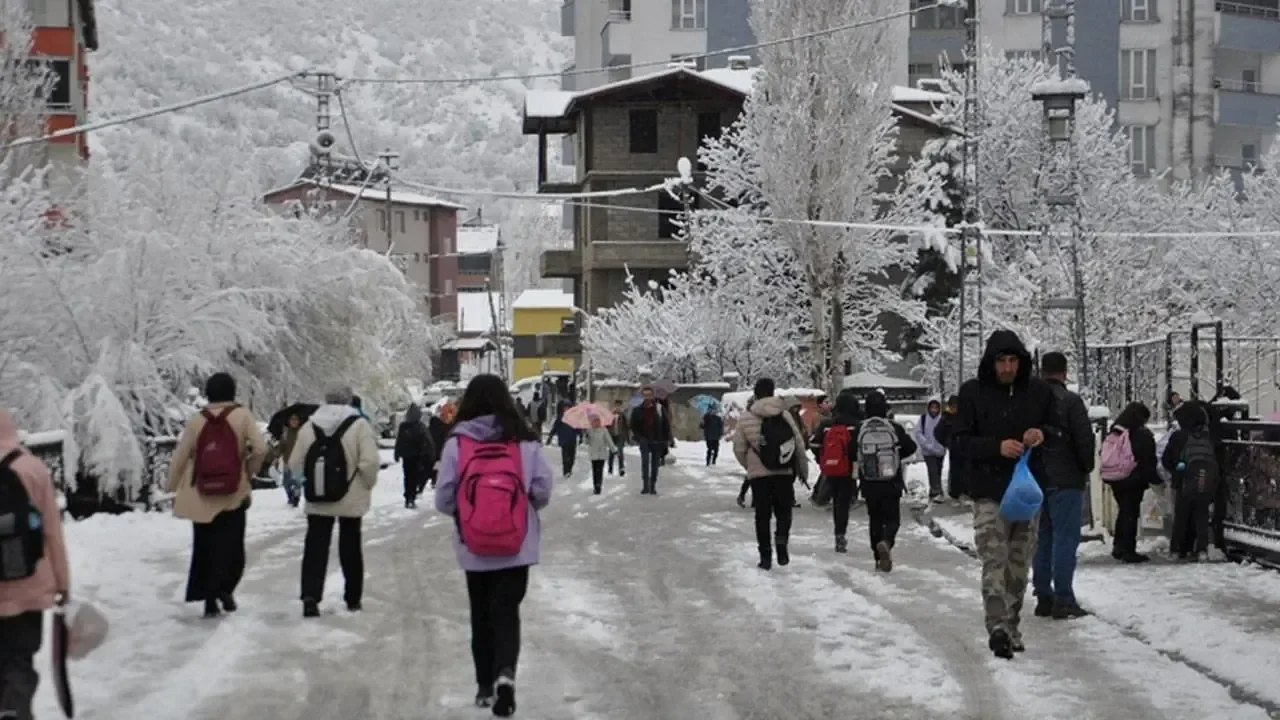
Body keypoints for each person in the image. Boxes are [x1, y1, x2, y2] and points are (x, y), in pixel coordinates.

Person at [434, 374, 553, 716]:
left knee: (481, 614)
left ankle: (484, 686)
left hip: (474, 547)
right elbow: (543, 489)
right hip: (517, 545)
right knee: (507, 612)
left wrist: (469, 511)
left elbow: (443, 499)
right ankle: (506, 675)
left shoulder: (457, 443)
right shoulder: (525, 441)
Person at [951, 330, 1054, 659]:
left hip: (1025, 491)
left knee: (1019, 563)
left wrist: (1041, 434)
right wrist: (995, 447)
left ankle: (1011, 623)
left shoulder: (1038, 393)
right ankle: (997, 624)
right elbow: (959, 439)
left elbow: (1056, 428)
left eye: (1013, 361)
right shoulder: (972, 394)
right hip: (988, 490)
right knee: (994, 558)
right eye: (1002, 361)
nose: (1008, 367)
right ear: (991, 363)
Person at [167, 372, 267, 618]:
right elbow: (260, 448)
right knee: (232, 546)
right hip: (233, 492)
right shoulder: (242, 416)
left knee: (205, 546)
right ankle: (226, 588)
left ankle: (209, 597)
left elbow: (181, 454)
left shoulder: (196, 420)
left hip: (200, 491)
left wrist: (171, 484)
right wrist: (248, 471)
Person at [0, 411, 71, 720]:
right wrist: (62, 582)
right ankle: (15, 711)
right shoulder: (32, 468)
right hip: (28, 588)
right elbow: (52, 532)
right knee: (19, 661)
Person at [290, 385, 381, 618]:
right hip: (351, 496)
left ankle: (310, 596)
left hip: (318, 497)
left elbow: (295, 463)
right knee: (350, 546)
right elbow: (370, 462)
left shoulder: (309, 426)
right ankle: (352, 598)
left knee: (315, 546)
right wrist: (366, 485)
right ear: (349, 400)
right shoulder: (359, 425)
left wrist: (307, 483)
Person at [1030, 352, 1096, 621]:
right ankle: (1064, 597)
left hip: (1037, 479)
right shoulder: (1071, 401)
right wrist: (1086, 467)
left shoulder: (1030, 401)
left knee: (1043, 537)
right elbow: (1084, 440)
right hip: (1067, 479)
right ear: (1064, 372)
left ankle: (1043, 594)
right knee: (1065, 538)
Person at [732, 378, 809, 570]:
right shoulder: (784, 413)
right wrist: (802, 470)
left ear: (755, 393)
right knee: (784, 510)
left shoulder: (746, 417)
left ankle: (765, 556)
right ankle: (781, 540)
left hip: (759, 475)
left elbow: (739, 448)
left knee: (762, 515)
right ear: (773, 392)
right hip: (784, 470)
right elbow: (798, 442)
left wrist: (750, 466)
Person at [856, 391, 917, 571]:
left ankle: (877, 556)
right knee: (892, 519)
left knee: (875, 518)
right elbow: (911, 447)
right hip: (891, 481)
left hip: (869, 481)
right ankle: (887, 541)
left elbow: (852, 450)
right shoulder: (894, 427)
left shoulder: (861, 428)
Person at [1161, 400, 1219, 561]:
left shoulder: (1179, 436)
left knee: (1181, 516)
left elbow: (1166, 459)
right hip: (1205, 481)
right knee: (1201, 515)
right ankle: (1201, 549)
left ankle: (1177, 550)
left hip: (1182, 481)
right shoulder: (1208, 436)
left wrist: (1177, 469)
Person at [1104, 402, 1161, 563]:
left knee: (1123, 511)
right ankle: (1128, 550)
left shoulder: (1116, 431)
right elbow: (1148, 459)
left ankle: (1119, 546)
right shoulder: (1142, 434)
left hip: (1116, 477)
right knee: (1130, 514)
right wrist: (1156, 479)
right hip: (1134, 479)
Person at [811, 390, 862, 553]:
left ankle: (838, 532)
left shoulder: (827, 425)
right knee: (844, 501)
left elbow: (814, 444)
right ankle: (841, 533)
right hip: (849, 468)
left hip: (832, 468)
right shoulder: (857, 424)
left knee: (836, 499)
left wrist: (822, 460)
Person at [629, 387, 673, 495]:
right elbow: (633, 425)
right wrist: (638, 437)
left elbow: (666, 424)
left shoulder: (659, 408)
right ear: (642, 396)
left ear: (653, 396)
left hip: (657, 440)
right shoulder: (637, 410)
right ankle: (645, 485)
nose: (647, 397)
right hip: (644, 439)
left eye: (649, 395)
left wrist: (668, 439)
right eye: (645, 395)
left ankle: (653, 485)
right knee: (645, 462)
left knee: (654, 464)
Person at [394, 404, 436, 509]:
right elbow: (428, 441)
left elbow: (399, 441)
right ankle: (411, 497)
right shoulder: (420, 426)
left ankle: (408, 497)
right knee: (414, 477)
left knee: (408, 477)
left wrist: (397, 453)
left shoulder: (403, 426)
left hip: (407, 457)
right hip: (417, 457)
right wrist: (430, 454)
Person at [935, 394, 967, 503]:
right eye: (953, 406)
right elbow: (938, 432)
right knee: (955, 470)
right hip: (954, 447)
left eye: (957, 406)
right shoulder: (946, 417)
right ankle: (955, 492)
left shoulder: (963, 416)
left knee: (965, 469)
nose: (955, 408)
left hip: (965, 447)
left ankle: (964, 491)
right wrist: (947, 443)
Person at [915, 397, 947, 503]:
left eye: (936, 407)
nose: (934, 410)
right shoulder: (923, 419)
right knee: (932, 470)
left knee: (938, 471)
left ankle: (934, 490)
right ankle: (937, 491)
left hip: (940, 450)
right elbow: (918, 433)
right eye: (932, 407)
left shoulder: (942, 419)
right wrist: (926, 444)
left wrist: (943, 445)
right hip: (928, 451)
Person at [546, 401, 578, 478]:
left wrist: (581, 434)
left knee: (572, 457)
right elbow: (555, 427)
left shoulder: (574, 417)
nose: (566, 409)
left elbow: (578, 428)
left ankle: (569, 469)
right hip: (564, 440)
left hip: (572, 440)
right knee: (565, 457)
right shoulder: (560, 417)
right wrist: (550, 436)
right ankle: (566, 471)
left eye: (568, 408)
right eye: (565, 408)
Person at [585, 415, 613, 495]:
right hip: (593, 454)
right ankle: (595, 486)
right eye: (595, 421)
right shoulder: (589, 431)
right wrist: (586, 437)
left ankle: (599, 485)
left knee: (599, 470)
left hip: (602, 454)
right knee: (594, 471)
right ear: (592, 423)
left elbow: (609, 440)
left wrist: (613, 449)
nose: (597, 423)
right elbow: (587, 442)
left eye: (598, 421)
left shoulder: (604, 430)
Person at [280, 412, 303, 507]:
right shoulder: (285, 433)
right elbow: (281, 447)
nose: (294, 421)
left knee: (298, 482)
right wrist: (276, 456)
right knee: (286, 482)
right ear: (289, 421)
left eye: (295, 419)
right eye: (292, 419)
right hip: (287, 462)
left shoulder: (302, 432)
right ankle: (290, 496)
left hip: (298, 462)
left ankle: (296, 498)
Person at [428, 404, 453, 490]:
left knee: (438, 465)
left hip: (437, 449)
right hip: (441, 448)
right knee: (439, 465)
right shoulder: (445, 425)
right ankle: (435, 480)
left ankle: (434, 480)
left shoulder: (437, 425)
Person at [607, 400, 628, 477]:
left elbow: (626, 426)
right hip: (612, 435)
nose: (618, 408)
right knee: (611, 452)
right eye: (616, 406)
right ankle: (610, 468)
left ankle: (621, 469)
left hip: (620, 435)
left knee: (620, 452)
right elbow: (607, 425)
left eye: (619, 406)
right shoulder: (611, 415)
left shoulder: (623, 415)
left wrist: (626, 437)